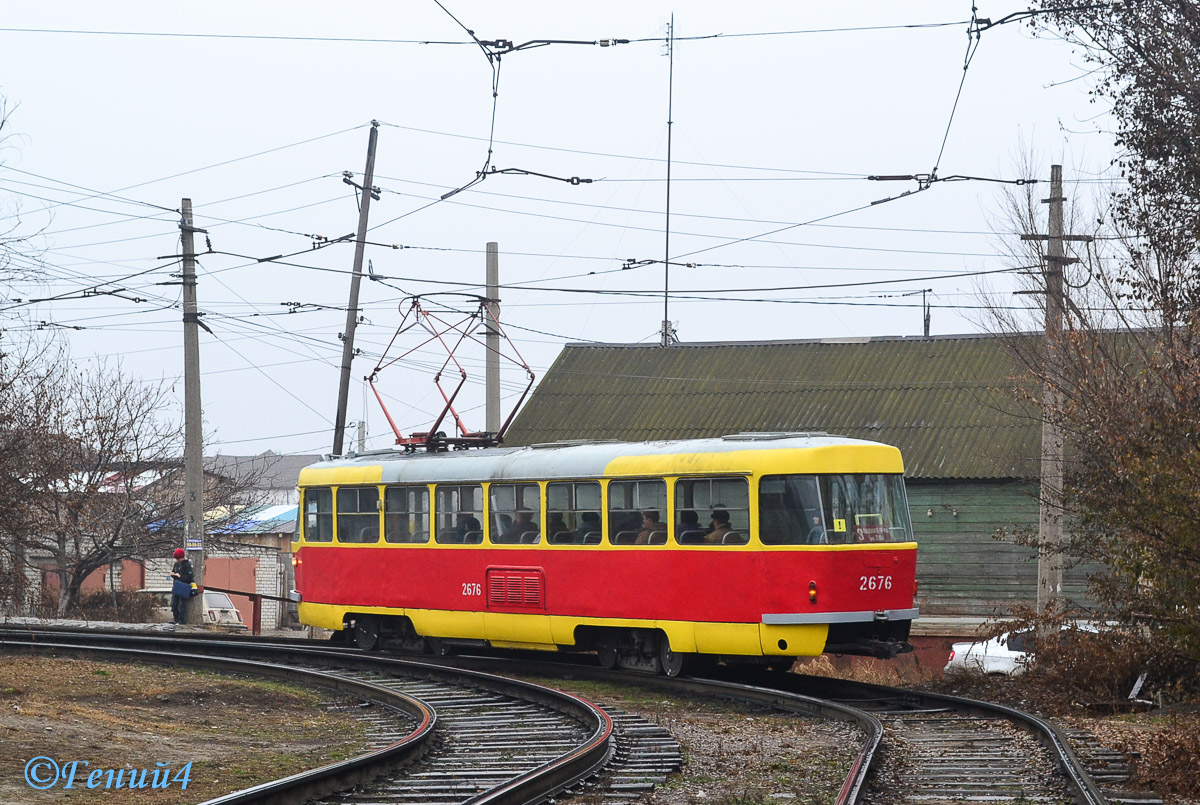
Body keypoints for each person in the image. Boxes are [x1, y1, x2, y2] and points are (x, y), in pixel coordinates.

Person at [169, 548, 194, 625]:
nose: (177, 560)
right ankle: (176, 619)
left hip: (184, 587)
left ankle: (181, 620)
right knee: (174, 604)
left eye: (178, 558)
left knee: (182, 605)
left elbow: (189, 578)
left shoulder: (187, 565)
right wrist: (173, 574)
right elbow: (174, 571)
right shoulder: (176, 565)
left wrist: (180, 576)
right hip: (176, 585)